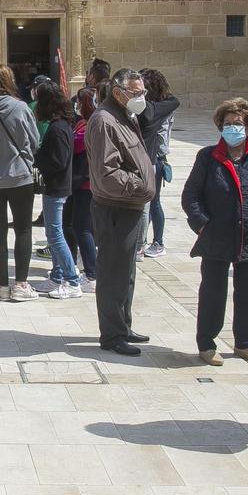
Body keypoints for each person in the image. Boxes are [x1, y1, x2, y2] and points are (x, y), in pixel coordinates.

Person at [181, 97, 248, 366]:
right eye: (227, 123)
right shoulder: (208, 156)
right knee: (213, 290)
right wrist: (202, 223)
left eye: (238, 123)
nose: (232, 128)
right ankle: (207, 342)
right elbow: (191, 195)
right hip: (217, 234)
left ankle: (245, 342)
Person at [84, 69, 156, 355]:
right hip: (116, 207)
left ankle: (123, 325)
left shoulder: (125, 115)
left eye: (143, 92)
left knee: (126, 272)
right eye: (136, 93)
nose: (141, 98)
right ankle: (112, 335)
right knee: (113, 273)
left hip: (131, 206)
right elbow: (107, 173)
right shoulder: (104, 120)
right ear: (118, 92)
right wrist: (141, 185)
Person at [0, 65, 39, 300]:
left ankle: (2, 285)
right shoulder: (21, 107)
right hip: (19, 176)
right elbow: (33, 140)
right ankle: (21, 285)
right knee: (23, 229)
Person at [32, 82, 82, 299]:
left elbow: (59, 161)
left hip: (57, 187)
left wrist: (38, 158)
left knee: (55, 235)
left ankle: (73, 281)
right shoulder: (59, 125)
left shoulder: (58, 128)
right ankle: (56, 276)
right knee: (53, 233)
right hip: (55, 186)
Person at [138, 69, 180, 259]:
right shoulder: (158, 105)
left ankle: (157, 242)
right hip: (153, 157)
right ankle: (144, 240)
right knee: (149, 202)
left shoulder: (159, 108)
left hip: (157, 158)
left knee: (152, 202)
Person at [67, 87, 100, 286]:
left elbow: (76, 144)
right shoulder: (83, 123)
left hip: (86, 184)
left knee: (83, 228)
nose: (76, 105)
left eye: (79, 102)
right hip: (80, 183)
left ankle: (92, 273)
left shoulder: (91, 125)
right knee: (79, 226)